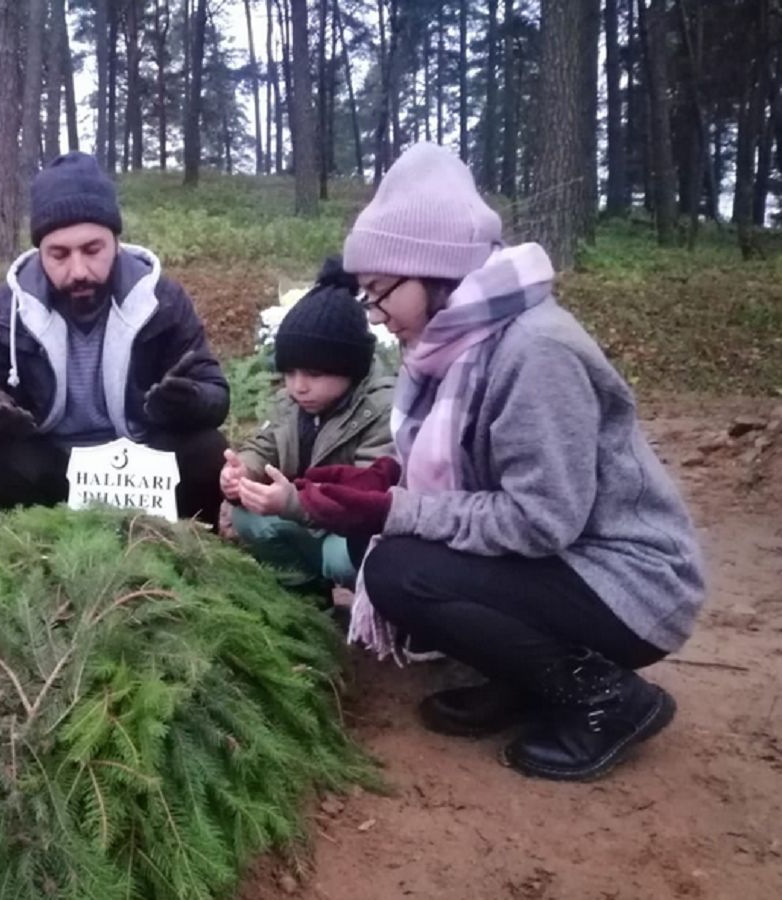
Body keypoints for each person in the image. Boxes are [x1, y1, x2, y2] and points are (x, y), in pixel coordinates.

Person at [244, 143, 705, 782]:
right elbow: (457, 470)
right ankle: (525, 680)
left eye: (380, 294)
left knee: (402, 570)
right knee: (399, 558)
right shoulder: (450, 345)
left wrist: (394, 508)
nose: (376, 315)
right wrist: (376, 480)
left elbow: (543, 519)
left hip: (627, 582)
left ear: (432, 270)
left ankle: (604, 697)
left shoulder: (534, 352)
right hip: (565, 565)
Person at [0, 151, 230, 526]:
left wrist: (190, 402)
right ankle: (2, 565)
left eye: (92, 250)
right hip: (49, 461)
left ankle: (190, 564)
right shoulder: (7, 307)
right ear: (40, 251)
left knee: (206, 450)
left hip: (139, 459)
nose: (78, 270)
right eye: (59, 255)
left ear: (115, 240)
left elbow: (215, 392)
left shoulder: (161, 298)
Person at [226, 257, 393, 594]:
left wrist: (293, 504)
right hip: (305, 516)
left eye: (314, 375)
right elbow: (266, 444)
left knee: (340, 557)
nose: (298, 386)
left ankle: (366, 604)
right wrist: (244, 469)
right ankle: (306, 596)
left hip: (349, 530)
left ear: (351, 368)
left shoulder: (380, 410)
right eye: (289, 373)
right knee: (245, 517)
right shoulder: (292, 402)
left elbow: (367, 497)